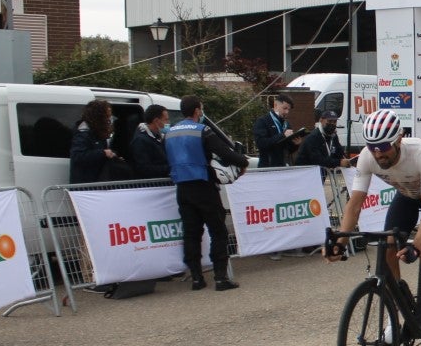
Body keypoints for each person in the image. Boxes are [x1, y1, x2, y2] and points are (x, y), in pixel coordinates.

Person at [331, 109, 421, 325]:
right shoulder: (366, 157)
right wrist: (340, 241)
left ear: (398, 140)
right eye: (373, 150)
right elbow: (355, 205)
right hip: (406, 196)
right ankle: (398, 310)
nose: (379, 156)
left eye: (383, 149)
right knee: (388, 248)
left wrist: (415, 246)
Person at [165, 95, 248, 291]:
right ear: (196, 111)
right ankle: (220, 278)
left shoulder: (169, 133)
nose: (201, 113)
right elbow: (225, 152)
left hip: (182, 188)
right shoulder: (202, 130)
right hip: (203, 185)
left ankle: (196, 278)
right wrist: (243, 162)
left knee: (191, 233)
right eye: (200, 109)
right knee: (217, 231)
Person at [70, 98, 128, 183]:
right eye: (107, 116)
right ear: (98, 116)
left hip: (97, 180)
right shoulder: (84, 132)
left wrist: (114, 157)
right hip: (85, 184)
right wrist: (103, 153)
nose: (109, 119)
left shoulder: (98, 131)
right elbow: (78, 156)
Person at [294, 110, 349, 179]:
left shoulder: (333, 136)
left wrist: (347, 160)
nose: (332, 124)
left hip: (320, 173)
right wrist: (339, 162)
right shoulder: (313, 137)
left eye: (334, 122)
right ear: (321, 120)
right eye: (329, 121)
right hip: (305, 174)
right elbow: (318, 159)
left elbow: (339, 152)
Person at [253, 93, 303, 168]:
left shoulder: (286, 124)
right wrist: (283, 135)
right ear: (275, 105)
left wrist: (296, 144)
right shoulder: (263, 121)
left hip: (283, 167)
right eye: (284, 108)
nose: (287, 112)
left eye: (288, 109)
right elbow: (261, 143)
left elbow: (288, 150)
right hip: (267, 168)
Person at [129, 104, 170, 179]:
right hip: (151, 185)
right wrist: (170, 168)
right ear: (156, 121)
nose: (168, 123)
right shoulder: (141, 140)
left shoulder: (160, 137)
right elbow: (144, 168)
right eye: (166, 120)